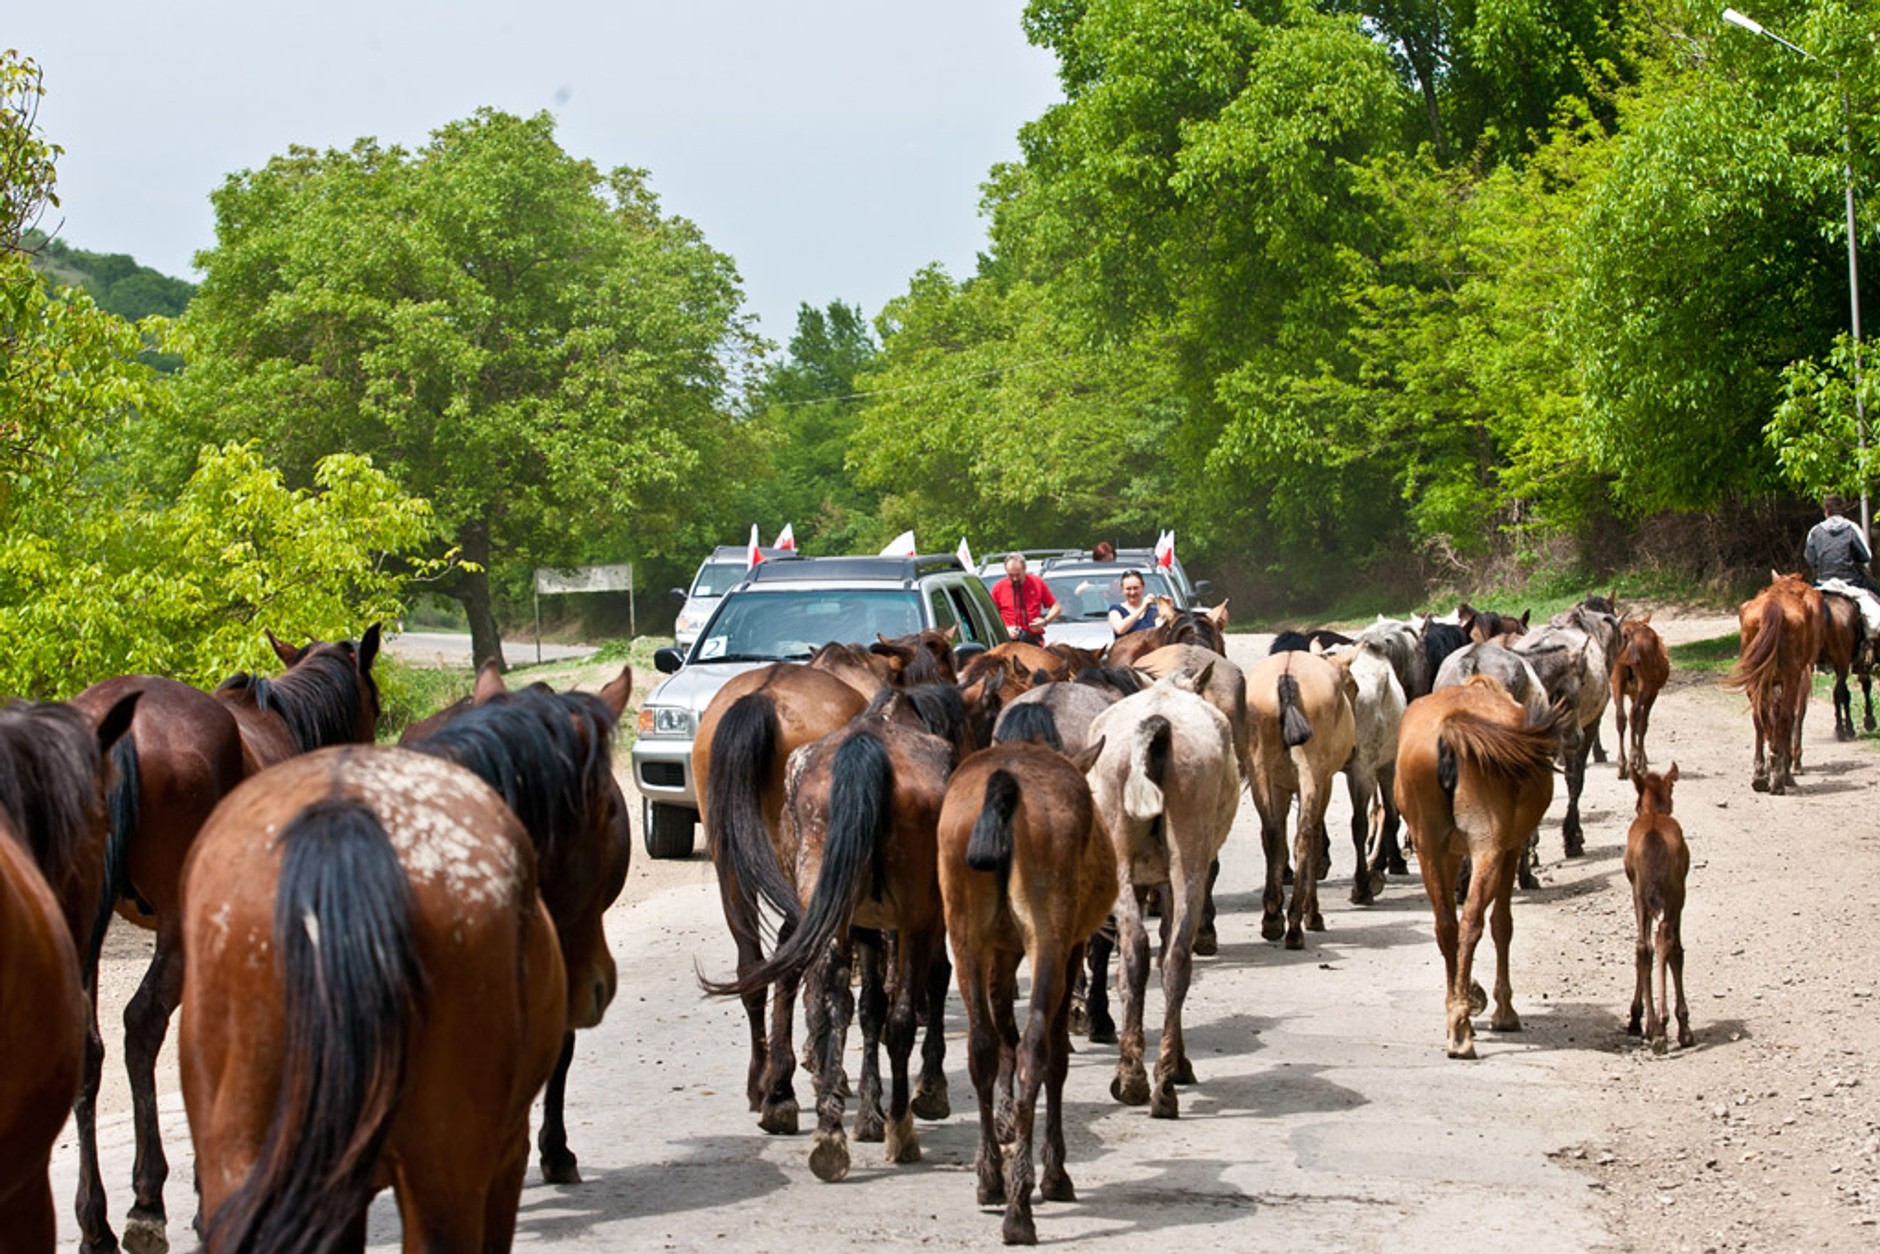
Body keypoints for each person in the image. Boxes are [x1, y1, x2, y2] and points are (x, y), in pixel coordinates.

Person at [1805, 494, 1877, 593]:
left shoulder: (1814, 531)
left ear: (1826, 512)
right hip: (1850, 581)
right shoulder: (1852, 528)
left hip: (1823, 581)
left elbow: (1811, 560)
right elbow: (1866, 556)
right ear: (1843, 510)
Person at [990, 552, 1060, 644]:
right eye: (1011, 575)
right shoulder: (999, 588)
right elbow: (990, 616)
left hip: (1033, 639)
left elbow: (1056, 607)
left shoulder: (1037, 583)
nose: (1015, 579)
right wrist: (1005, 629)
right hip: (1009, 641)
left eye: (1018, 575)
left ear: (1024, 570)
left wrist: (1044, 621)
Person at [1107, 570, 1164, 637]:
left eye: (1136, 588)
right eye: (1128, 589)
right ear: (1122, 590)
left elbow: (1162, 632)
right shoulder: (1115, 610)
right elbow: (1120, 629)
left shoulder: (1153, 612)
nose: (1132, 592)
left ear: (1143, 587)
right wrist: (1143, 607)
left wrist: (1168, 608)